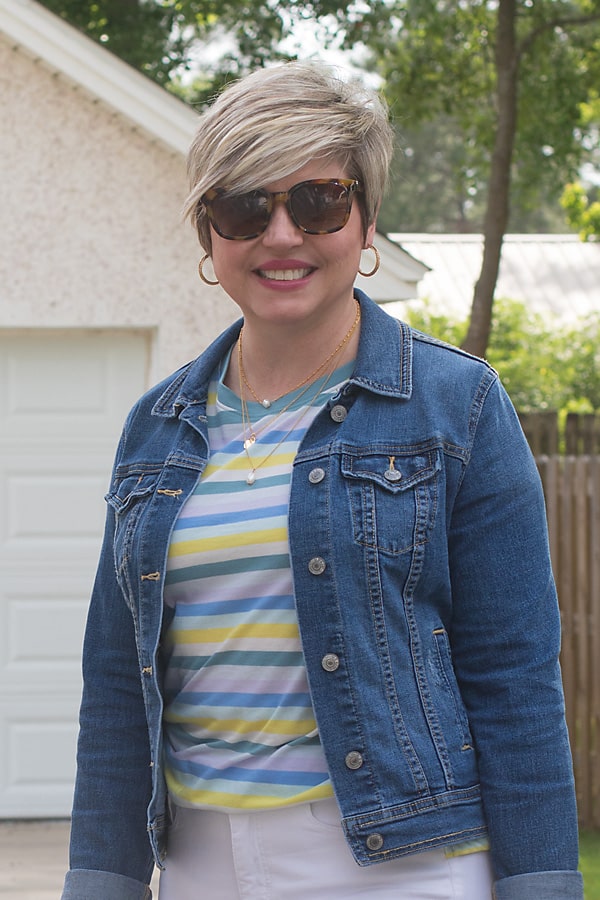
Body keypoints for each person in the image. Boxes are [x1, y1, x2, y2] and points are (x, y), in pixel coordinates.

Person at [62, 62, 583, 900]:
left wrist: (544, 884)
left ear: (367, 220)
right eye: (243, 208)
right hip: (200, 867)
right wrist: (100, 878)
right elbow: (118, 687)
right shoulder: (154, 430)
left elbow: (514, 678)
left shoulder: (457, 405)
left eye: (318, 201)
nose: (280, 235)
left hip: (402, 871)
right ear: (208, 236)